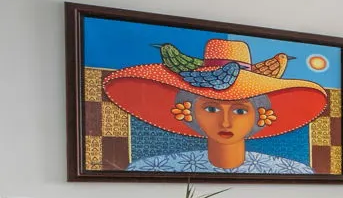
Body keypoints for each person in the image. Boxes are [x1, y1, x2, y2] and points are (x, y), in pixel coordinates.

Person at [103, 38, 330, 174]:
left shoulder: (293, 171)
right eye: (211, 108)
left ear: (260, 115)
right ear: (189, 112)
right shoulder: (149, 168)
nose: (225, 121)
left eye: (240, 110)